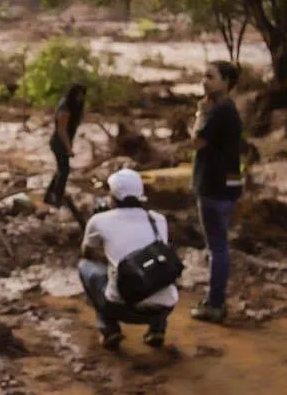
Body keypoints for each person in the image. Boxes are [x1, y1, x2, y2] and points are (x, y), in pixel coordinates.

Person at [78, 168, 178, 350]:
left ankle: (108, 328)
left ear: (112, 196)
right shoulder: (158, 219)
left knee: (85, 266)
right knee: (157, 268)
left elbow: (86, 253)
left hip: (121, 307)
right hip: (164, 307)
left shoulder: (99, 220)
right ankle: (157, 329)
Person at [190, 61, 243, 324]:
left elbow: (197, 141)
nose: (204, 81)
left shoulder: (218, 111)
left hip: (213, 185)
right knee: (220, 244)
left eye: (210, 76)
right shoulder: (229, 109)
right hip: (229, 183)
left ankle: (215, 303)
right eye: (203, 75)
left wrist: (200, 112)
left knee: (217, 247)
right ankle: (216, 299)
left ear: (226, 82)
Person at [43, 83, 87, 208]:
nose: (80, 98)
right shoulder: (65, 107)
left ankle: (49, 196)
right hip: (59, 142)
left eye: (82, 95)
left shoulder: (74, 106)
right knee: (64, 170)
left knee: (61, 170)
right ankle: (57, 198)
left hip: (64, 142)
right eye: (78, 95)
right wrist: (68, 148)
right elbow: (61, 130)